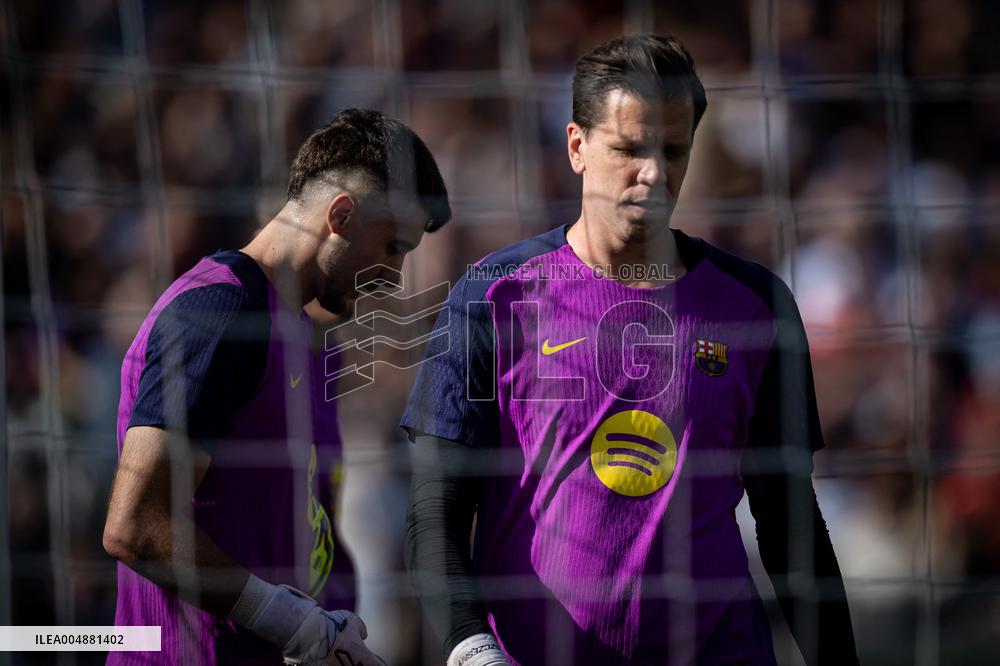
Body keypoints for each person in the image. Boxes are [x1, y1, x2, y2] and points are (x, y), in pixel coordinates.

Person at [402, 34, 859, 666]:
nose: (653, 172)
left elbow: (790, 524)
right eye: (628, 148)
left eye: (673, 150)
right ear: (577, 147)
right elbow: (435, 515)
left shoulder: (755, 306)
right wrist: (470, 650)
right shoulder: (491, 297)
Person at [103, 108, 451, 665]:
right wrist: (290, 622)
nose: (395, 278)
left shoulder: (315, 347)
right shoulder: (219, 311)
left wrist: (331, 628)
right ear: (341, 215)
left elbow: (311, 532)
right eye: (392, 249)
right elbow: (135, 524)